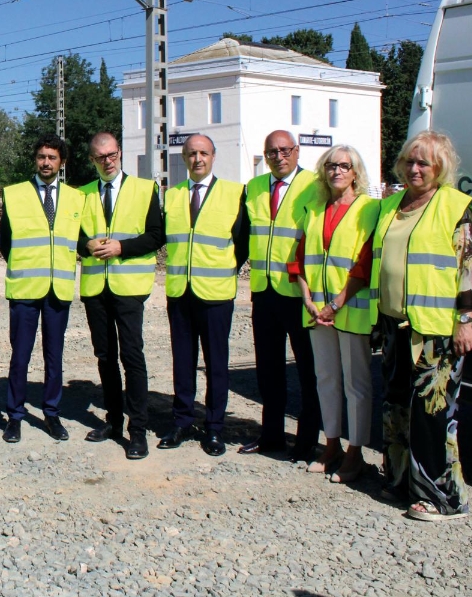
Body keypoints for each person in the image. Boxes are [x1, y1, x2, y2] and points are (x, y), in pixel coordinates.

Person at [372, 130, 472, 521]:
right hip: (394, 324)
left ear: (441, 168)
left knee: (431, 412)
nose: (415, 169)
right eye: (410, 161)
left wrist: (465, 321)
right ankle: (402, 480)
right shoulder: (389, 206)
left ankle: (442, 497)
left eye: (424, 163)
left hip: (436, 330)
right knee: (396, 405)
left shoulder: (456, 207)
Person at [291, 145, 379, 483]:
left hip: (350, 309)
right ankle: (331, 446)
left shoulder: (370, 209)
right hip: (316, 311)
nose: (337, 171)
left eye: (344, 165)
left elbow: (365, 263)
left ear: (356, 171)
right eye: (330, 165)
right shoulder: (313, 210)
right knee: (326, 379)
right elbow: (297, 259)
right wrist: (309, 301)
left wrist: (337, 303)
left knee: (356, 384)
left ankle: (355, 452)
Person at [159, 134, 248, 457]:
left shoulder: (234, 194)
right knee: (182, 362)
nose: (198, 159)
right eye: (192, 154)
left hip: (215, 294)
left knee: (216, 364)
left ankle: (214, 427)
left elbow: (242, 243)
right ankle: (182, 421)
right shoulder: (172, 196)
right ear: (184, 158)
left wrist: (222, 269)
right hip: (180, 293)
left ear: (213, 156)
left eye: (204, 153)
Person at [77, 132, 164, 460]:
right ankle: (113, 421)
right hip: (96, 289)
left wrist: (121, 247)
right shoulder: (82, 194)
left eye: (112, 154)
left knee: (132, 357)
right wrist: (84, 244)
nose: (107, 161)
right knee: (104, 357)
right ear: (92, 160)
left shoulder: (144, 189)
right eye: (100, 157)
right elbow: (74, 236)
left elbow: (157, 235)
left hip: (129, 289)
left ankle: (137, 430)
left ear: (120, 153)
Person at [238, 131, 322, 461]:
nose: (278, 157)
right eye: (271, 151)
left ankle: (306, 443)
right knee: (268, 370)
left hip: (300, 294)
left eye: (284, 150)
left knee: (308, 370)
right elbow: (244, 237)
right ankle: (271, 435)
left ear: (297, 151)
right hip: (264, 291)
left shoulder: (316, 186)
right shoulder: (255, 187)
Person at [0, 133, 83, 444]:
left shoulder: (76, 198)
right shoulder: (15, 194)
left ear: (62, 162)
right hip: (24, 289)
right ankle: (15, 416)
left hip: (58, 289)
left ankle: (51, 412)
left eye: (52, 157)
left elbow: (79, 240)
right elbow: (4, 241)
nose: (46, 162)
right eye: (42, 156)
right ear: (35, 159)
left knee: (54, 356)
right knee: (20, 357)